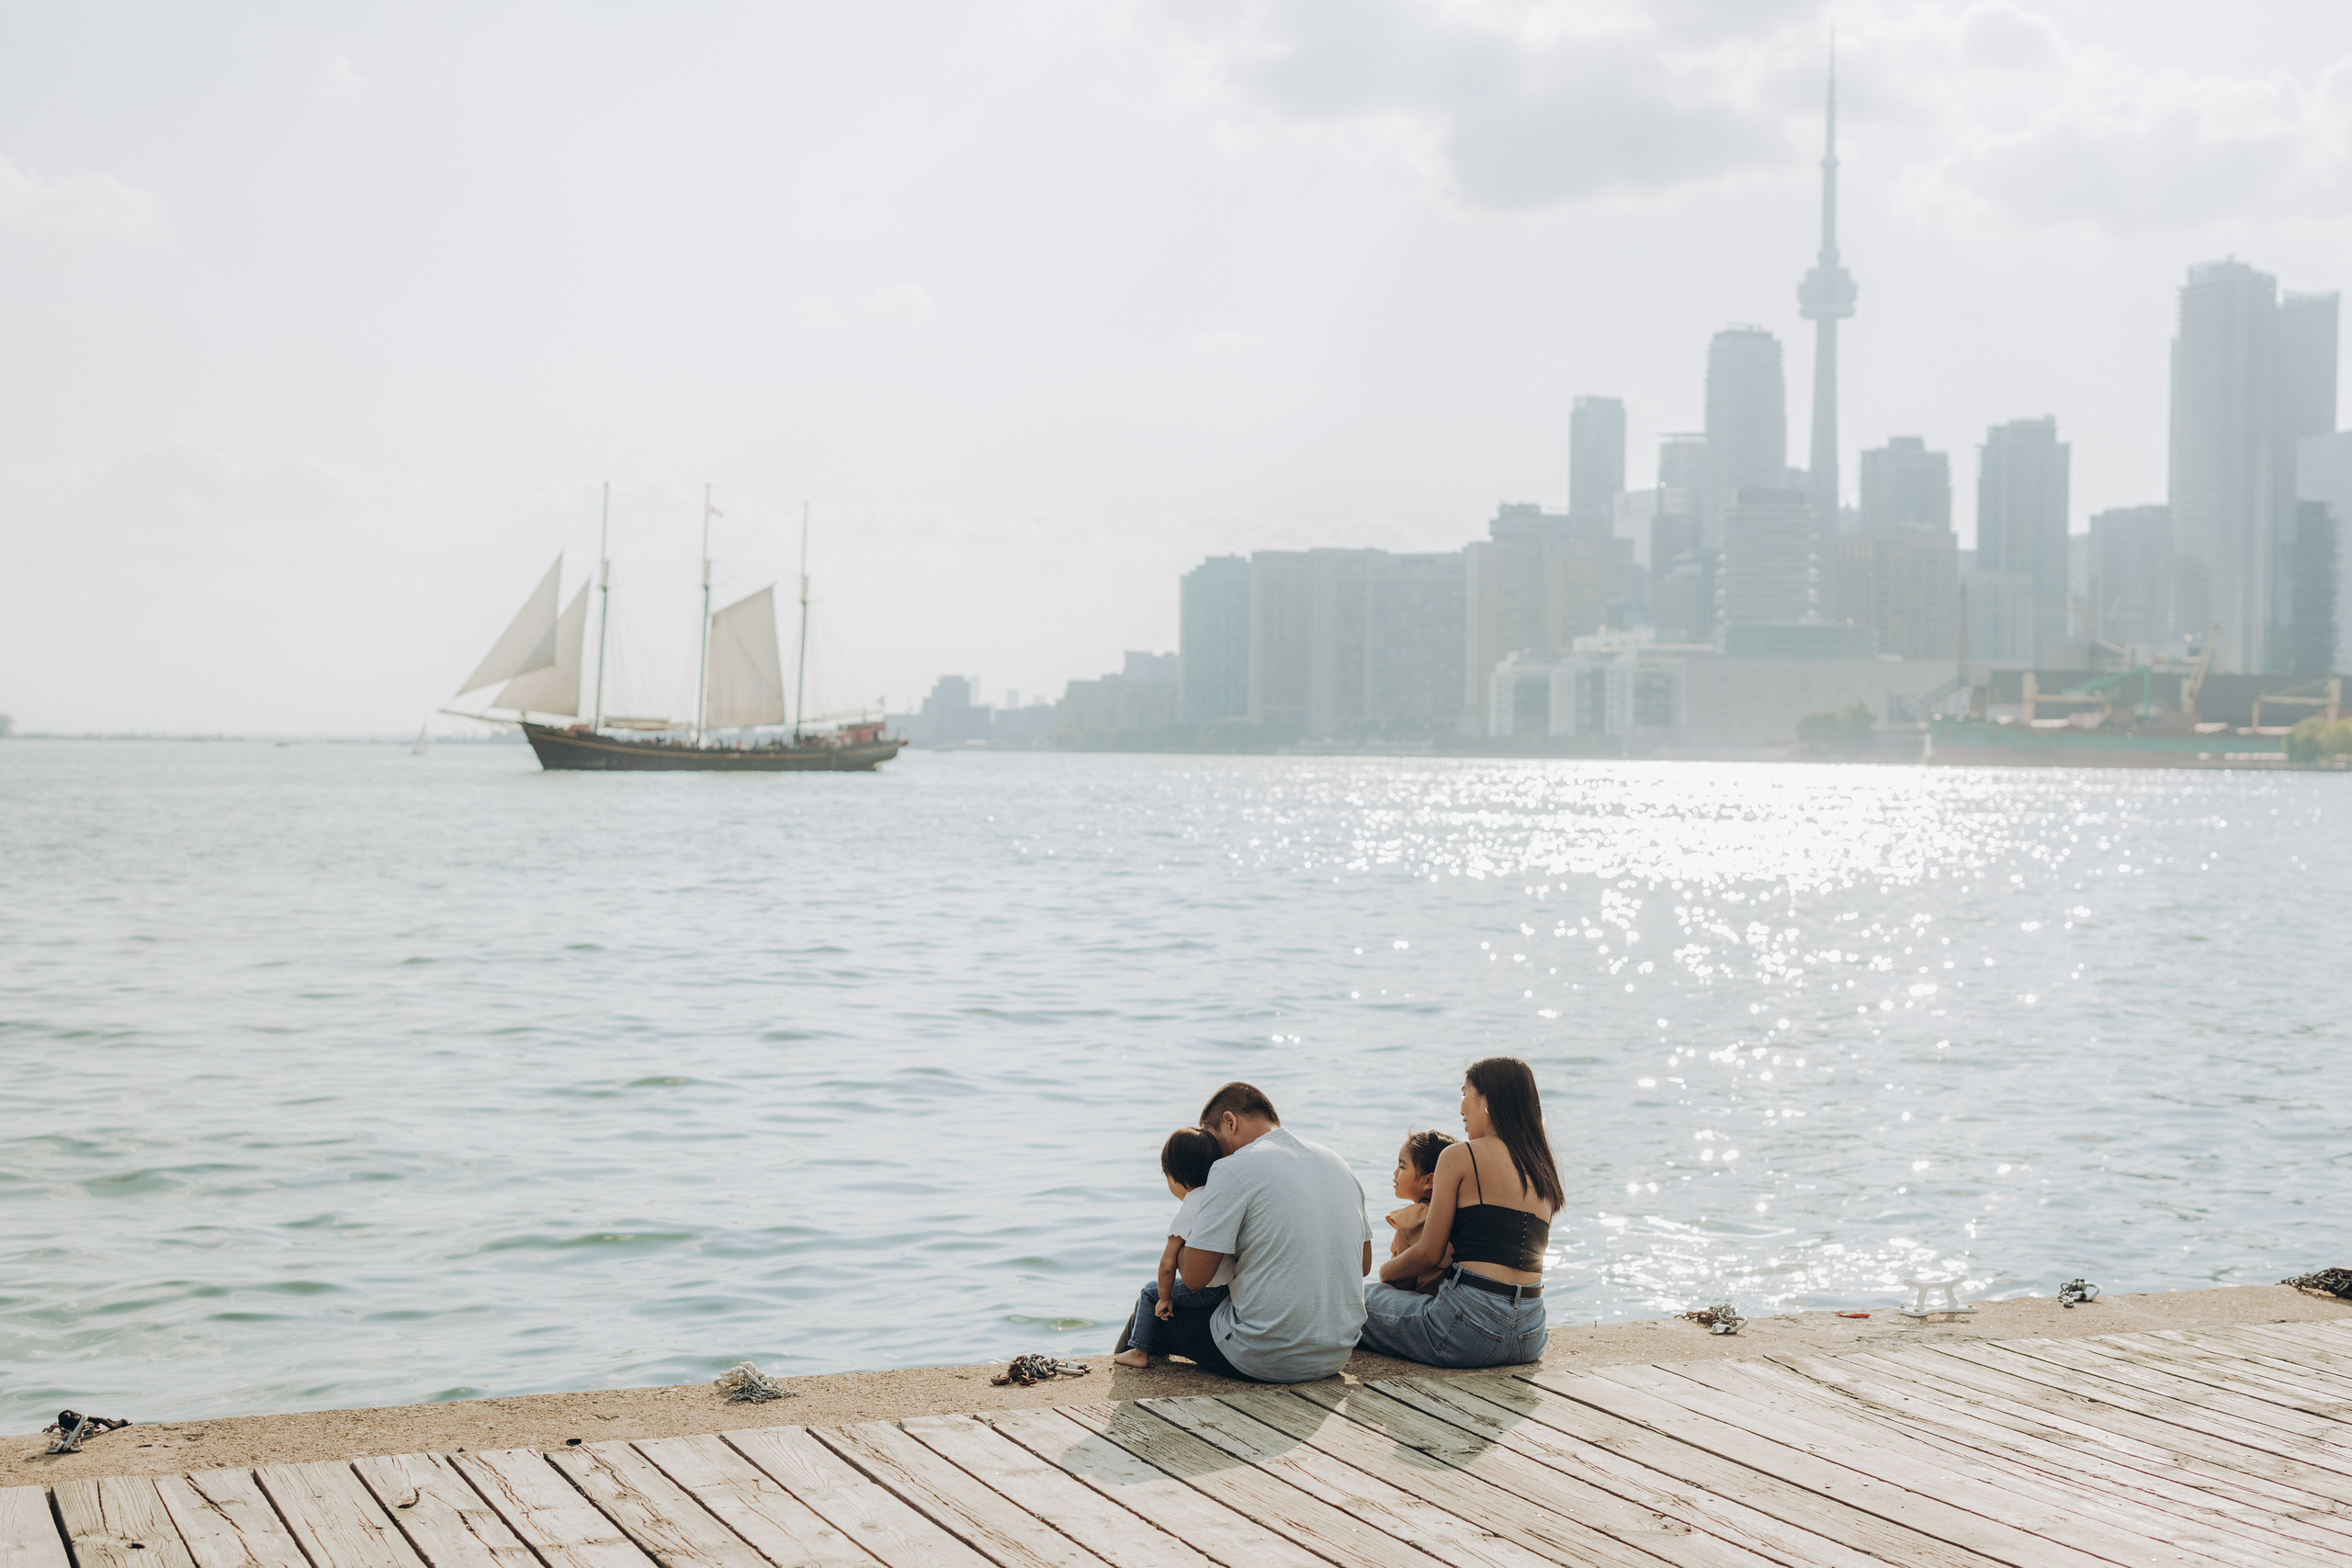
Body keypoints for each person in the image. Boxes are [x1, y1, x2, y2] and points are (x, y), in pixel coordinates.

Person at [1139, 1081, 1373, 1382]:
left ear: (1230, 1121)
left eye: (1211, 1141)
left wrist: (1192, 1213)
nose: (1209, 1156)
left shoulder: (1231, 1169)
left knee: (1150, 1309)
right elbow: (1364, 1265)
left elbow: (1196, 1279)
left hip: (1263, 1355)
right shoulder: (1337, 1161)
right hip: (1336, 1352)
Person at [1360, 1056, 1561, 1368]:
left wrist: (1385, 1273)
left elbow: (1429, 1253)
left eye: (1465, 1092)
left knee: (1349, 1299)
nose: (1461, 1106)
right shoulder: (1542, 1167)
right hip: (1530, 1335)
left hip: (1467, 1329)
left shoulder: (1460, 1155)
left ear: (1487, 1102)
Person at [1109, 1127, 1231, 1368]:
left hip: (1210, 1289)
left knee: (1148, 1292)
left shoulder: (1190, 1208)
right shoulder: (1221, 1197)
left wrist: (1164, 1298)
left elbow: (1168, 1264)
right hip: (1229, 1288)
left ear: (1176, 1177)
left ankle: (1138, 1351)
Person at [1385, 1129, 1457, 1294]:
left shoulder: (1411, 1219)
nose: (1395, 1173)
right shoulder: (1458, 1215)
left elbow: (1403, 1283)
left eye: (1402, 1166)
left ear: (1430, 1180)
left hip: (1420, 1303)